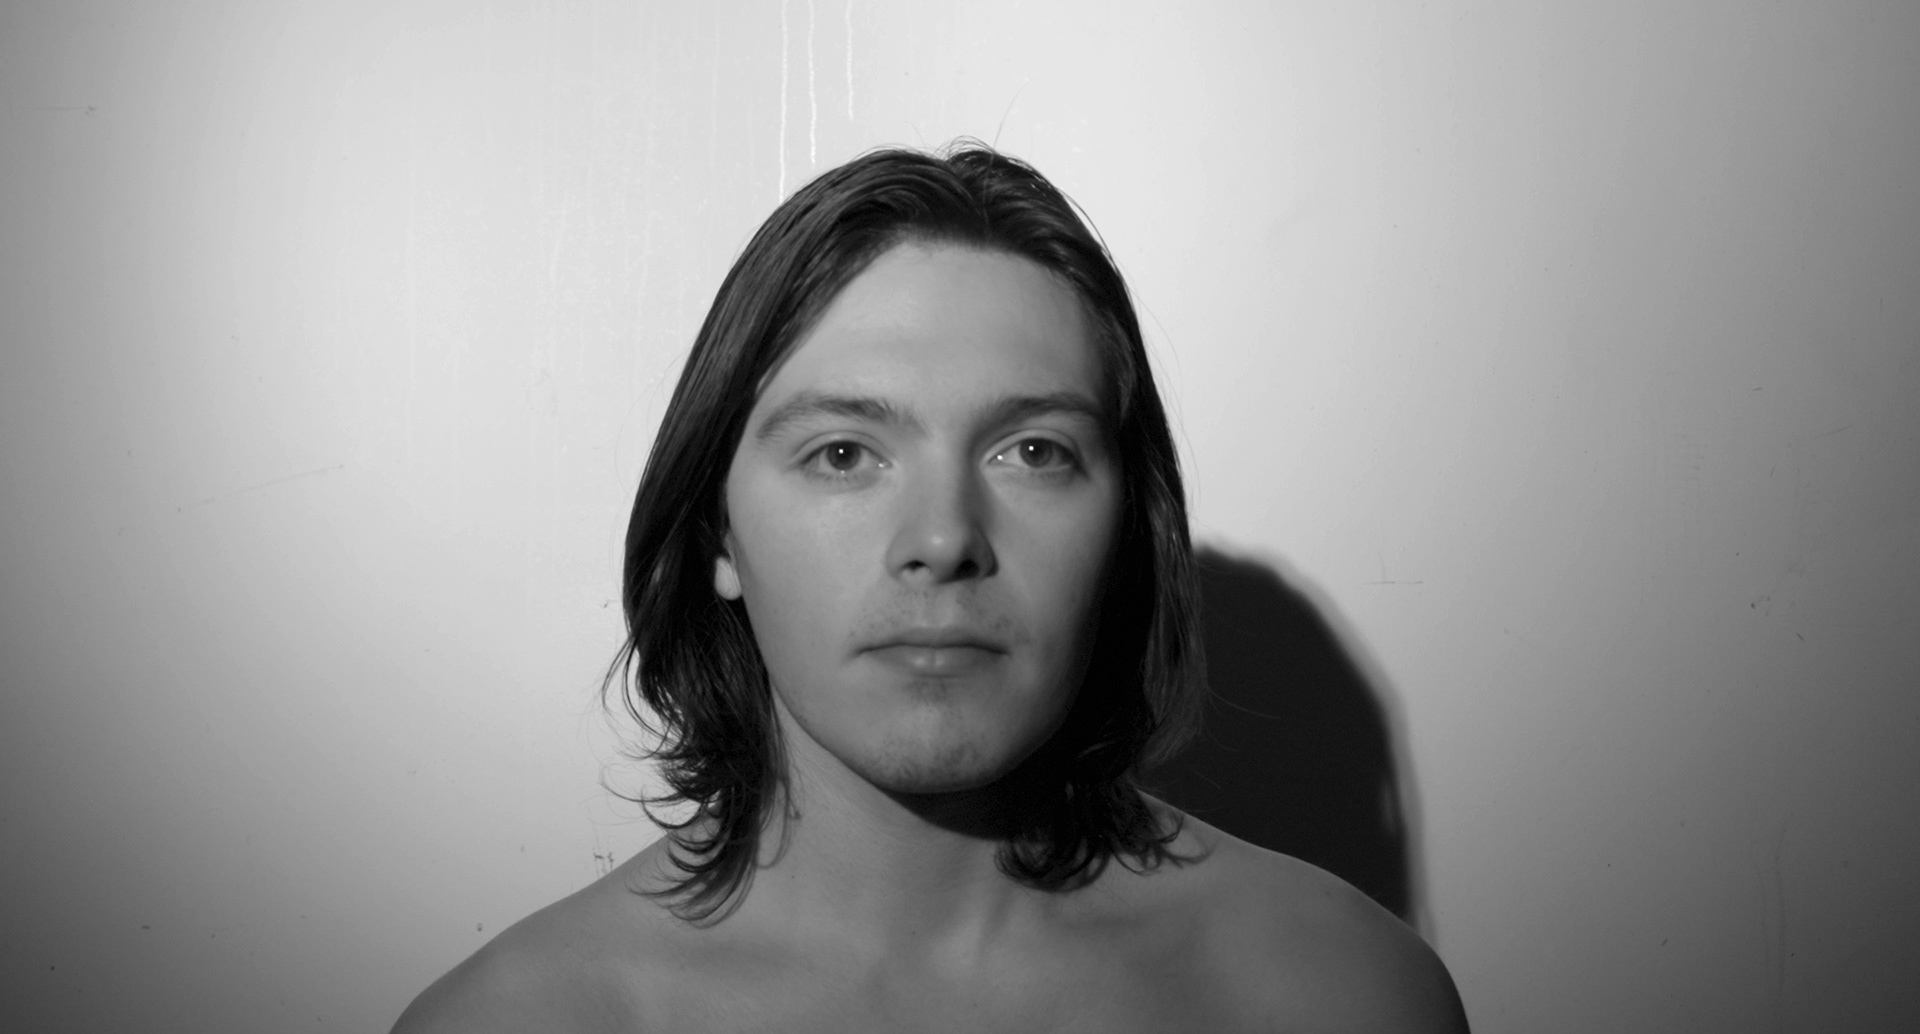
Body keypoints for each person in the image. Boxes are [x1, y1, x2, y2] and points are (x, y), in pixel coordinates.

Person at [393, 143, 1469, 1032]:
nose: (945, 538)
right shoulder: (517, 1019)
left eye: (1034, 451)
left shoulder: (1343, 996)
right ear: (718, 531)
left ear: (1127, 532)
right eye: (844, 454)